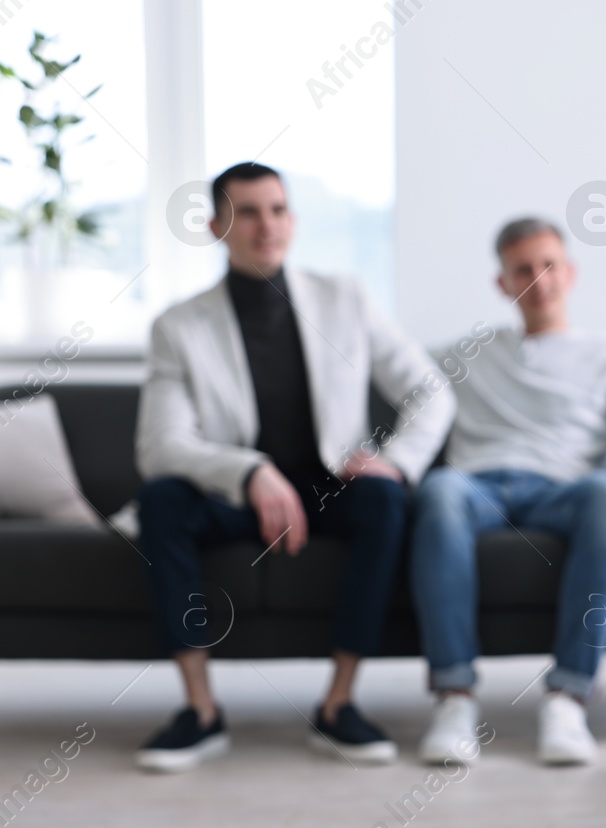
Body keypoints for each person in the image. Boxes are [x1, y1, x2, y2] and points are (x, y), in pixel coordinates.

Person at [132, 162, 455, 773]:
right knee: (161, 499)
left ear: (293, 220)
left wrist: (399, 464)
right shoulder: (179, 326)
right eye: (248, 212)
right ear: (216, 227)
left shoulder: (345, 299)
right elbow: (159, 445)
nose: (266, 226)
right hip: (235, 496)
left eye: (277, 210)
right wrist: (250, 472)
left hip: (329, 488)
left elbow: (432, 390)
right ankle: (200, 711)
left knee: (387, 503)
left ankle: (338, 704)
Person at [408, 217, 606, 767]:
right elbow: (390, 370)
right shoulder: (466, 355)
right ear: (503, 284)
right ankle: (455, 698)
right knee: (438, 491)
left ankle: (568, 696)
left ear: (570, 273)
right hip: (476, 487)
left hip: (566, 489)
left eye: (549, 265)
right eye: (523, 270)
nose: (539, 280)